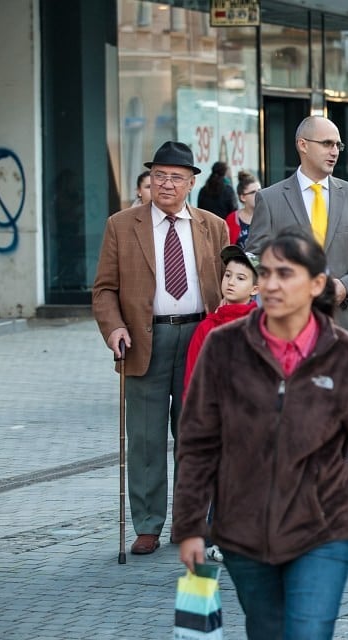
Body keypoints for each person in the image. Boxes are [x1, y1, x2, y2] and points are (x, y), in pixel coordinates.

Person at [173, 230, 348, 640]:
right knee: (267, 631)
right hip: (242, 530)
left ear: (316, 284)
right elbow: (198, 444)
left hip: (322, 528)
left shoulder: (343, 353)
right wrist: (191, 525)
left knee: (307, 632)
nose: (270, 284)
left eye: (285, 274)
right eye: (264, 273)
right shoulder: (223, 347)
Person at [92, 141, 228, 555]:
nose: (166, 184)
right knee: (147, 438)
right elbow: (104, 290)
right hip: (143, 338)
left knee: (195, 434)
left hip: (198, 339)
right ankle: (148, 523)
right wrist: (113, 328)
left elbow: (229, 284)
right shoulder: (122, 224)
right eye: (159, 176)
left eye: (176, 177)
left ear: (190, 183)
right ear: (149, 180)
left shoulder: (212, 226)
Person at [245, 115, 348, 340]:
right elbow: (255, 258)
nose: (335, 151)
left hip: (342, 324)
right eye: (327, 143)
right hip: (287, 326)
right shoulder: (270, 199)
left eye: (338, 145)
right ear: (303, 145)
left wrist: (346, 287)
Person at [183, 245, 259, 394]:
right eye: (228, 275)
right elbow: (193, 375)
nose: (231, 282)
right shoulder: (207, 327)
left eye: (240, 278)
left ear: (255, 289)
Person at [225, 171, 261, 247]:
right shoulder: (232, 219)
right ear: (243, 197)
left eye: (260, 190)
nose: (259, 195)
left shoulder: (268, 215)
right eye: (253, 192)